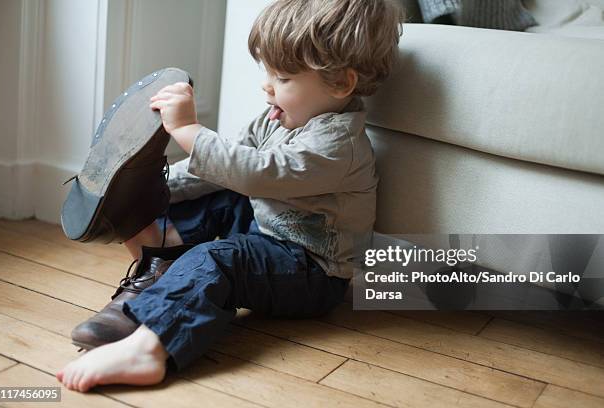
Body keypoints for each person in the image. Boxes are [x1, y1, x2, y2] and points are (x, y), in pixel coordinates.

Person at [56, 0, 402, 392]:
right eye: (268, 72)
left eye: (284, 77)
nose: (267, 86)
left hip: (312, 272)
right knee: (218, 194)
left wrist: (188, 130)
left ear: (341, 83)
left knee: (221, 259)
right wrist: (155, 191)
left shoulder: (337, 145)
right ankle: (164, 248)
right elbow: (225, 168)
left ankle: (150, 347)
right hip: (269, 231)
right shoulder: (279, 117)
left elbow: (254, 173)